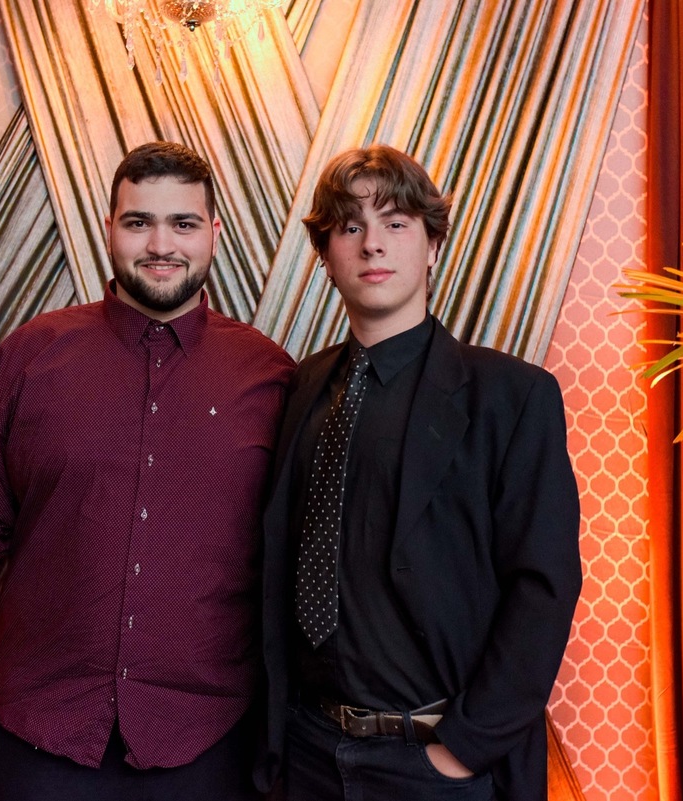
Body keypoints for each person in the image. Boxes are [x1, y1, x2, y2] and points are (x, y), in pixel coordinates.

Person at [0, 141, 295, 800]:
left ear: (214, 233)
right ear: (108, 229)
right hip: (41, 729)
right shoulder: (29, 357)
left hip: (207, 739)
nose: (161, 244)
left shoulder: (271, 376)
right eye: (138, 222)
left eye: (183, 223)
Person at [257, 144, 581, 801]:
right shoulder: (301, 387)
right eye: (350, 226)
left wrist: (461, 751)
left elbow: (544, 586)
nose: (372, 243)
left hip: (436, 765)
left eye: (396, 223)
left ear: (433, 246)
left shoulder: (511, 396)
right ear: (325, 257)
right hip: (309, 754)